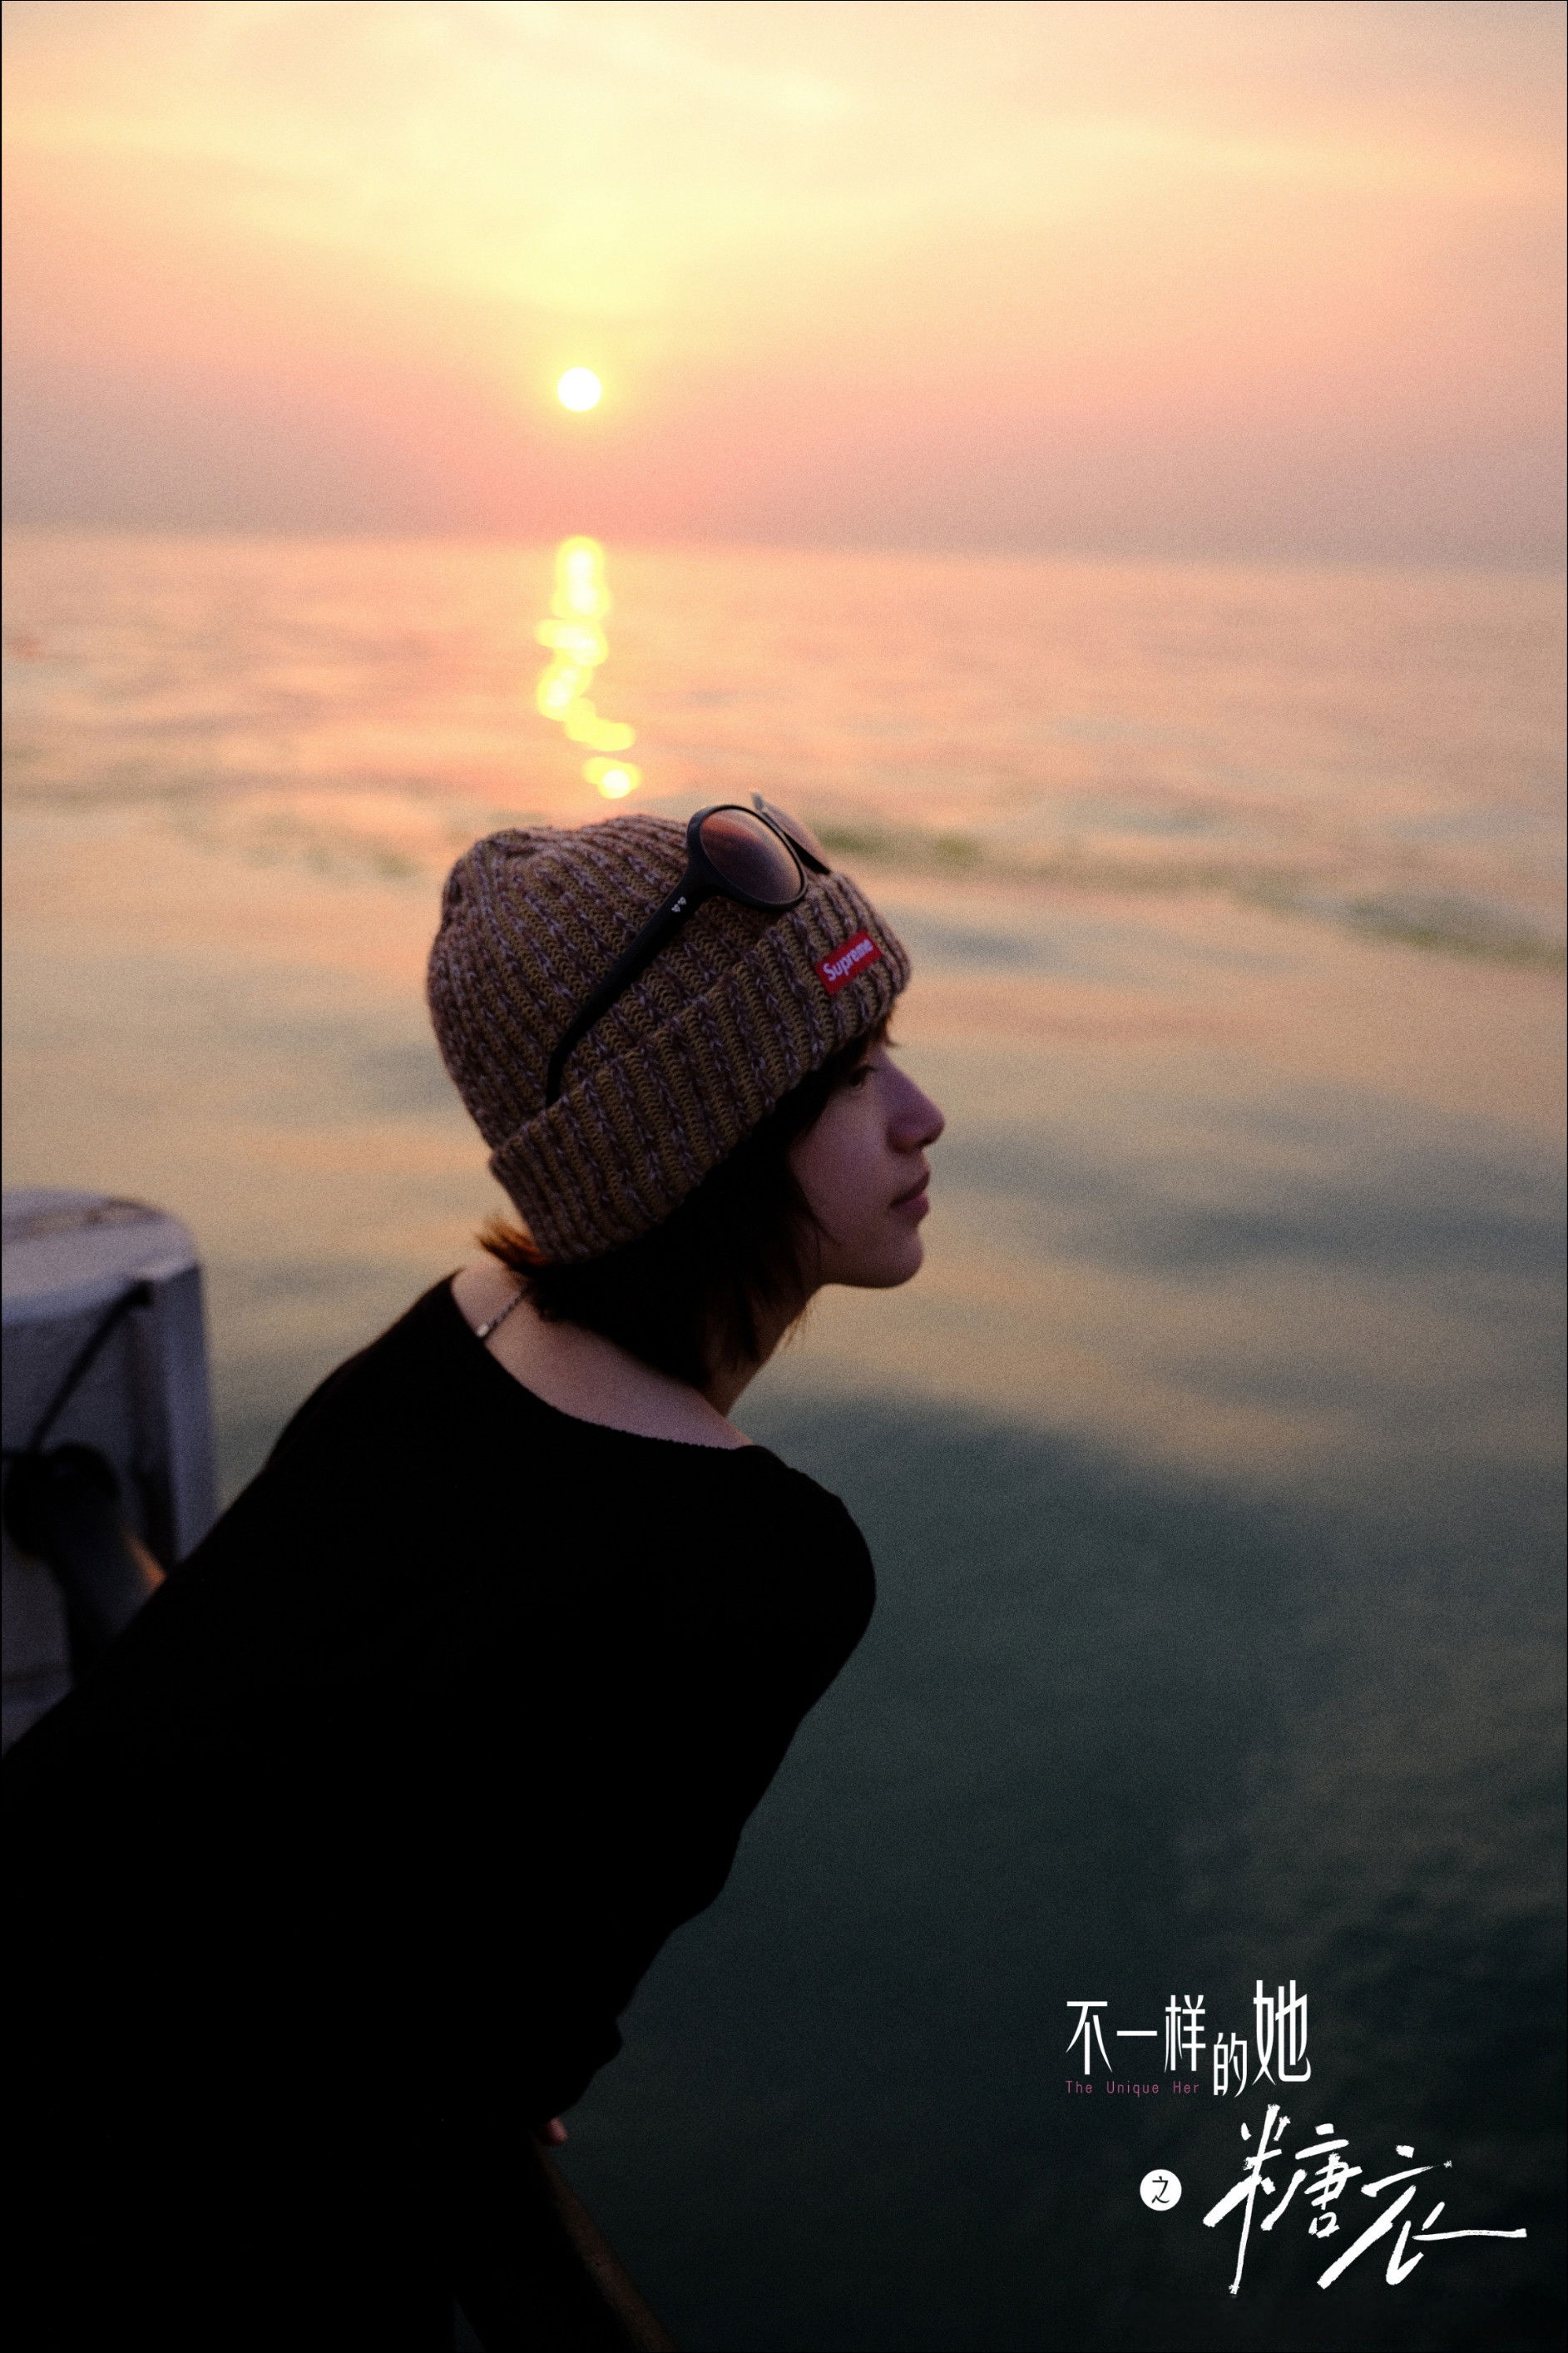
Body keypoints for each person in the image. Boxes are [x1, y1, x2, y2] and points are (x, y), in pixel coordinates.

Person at [4, 805, 942, 2351]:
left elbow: (246, 1697)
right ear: (699, 1143)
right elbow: (520, 2045)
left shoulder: (462, 1326)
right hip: (160, 2234)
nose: (920, 1115)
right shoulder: (760, 1572)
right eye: (847, 1078)